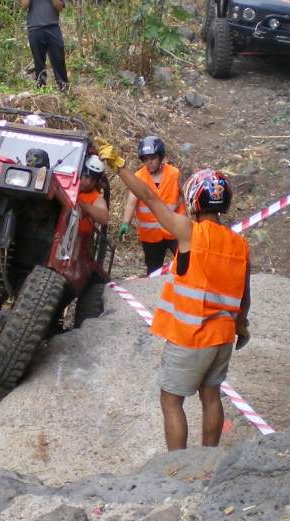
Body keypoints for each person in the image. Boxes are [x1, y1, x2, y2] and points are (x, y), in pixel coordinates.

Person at [98, 139, 251, 451]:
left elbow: (148, 197)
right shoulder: (241, 245)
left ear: (194, 199)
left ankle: (177, 466)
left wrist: (121, 167)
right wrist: (242, 325)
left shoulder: (188, 231)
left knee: (171, 401)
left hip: (191, 337)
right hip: (222, 338)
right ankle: (208, 459)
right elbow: (244, 296)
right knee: (211, 396)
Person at [118, 136, 185, 275]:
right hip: (151, 236)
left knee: (185, 263)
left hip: (175, 229)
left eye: (153, 158)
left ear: (160, 157)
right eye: (146, 159)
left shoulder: (174, 174)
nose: (150, 162)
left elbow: (186, 195)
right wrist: (125, 223)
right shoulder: (138, 177)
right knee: (154, 270)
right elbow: (131, 203)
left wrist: (193, 220)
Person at [21, 0, 70, 91]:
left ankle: (64, 89)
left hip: (53, 27)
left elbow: (60, 7)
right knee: (38, 62)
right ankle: (41, 88)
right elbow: (24, 6)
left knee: (59, 60)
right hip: (34, 28)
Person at [77, 155, 110, 236]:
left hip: (79, 241)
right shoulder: (67, 185)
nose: (88, 182)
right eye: (86, 176)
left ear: (96, 182)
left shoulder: (95, 197)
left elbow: (104, 218)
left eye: (93, 180)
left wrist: (81, 205)